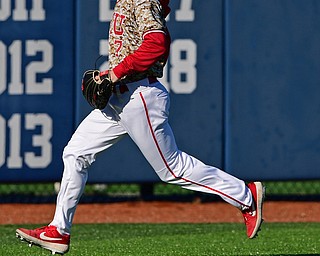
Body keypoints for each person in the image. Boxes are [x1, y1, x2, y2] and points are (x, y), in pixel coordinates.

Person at [16, 0, 265, 254]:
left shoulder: (142, 0)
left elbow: (157, 43)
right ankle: (59, 231)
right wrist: (109, 76)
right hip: (119, 98)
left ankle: (246, 196)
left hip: (140, 96)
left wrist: (114, 73)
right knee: (75, 153)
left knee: (172, 169)